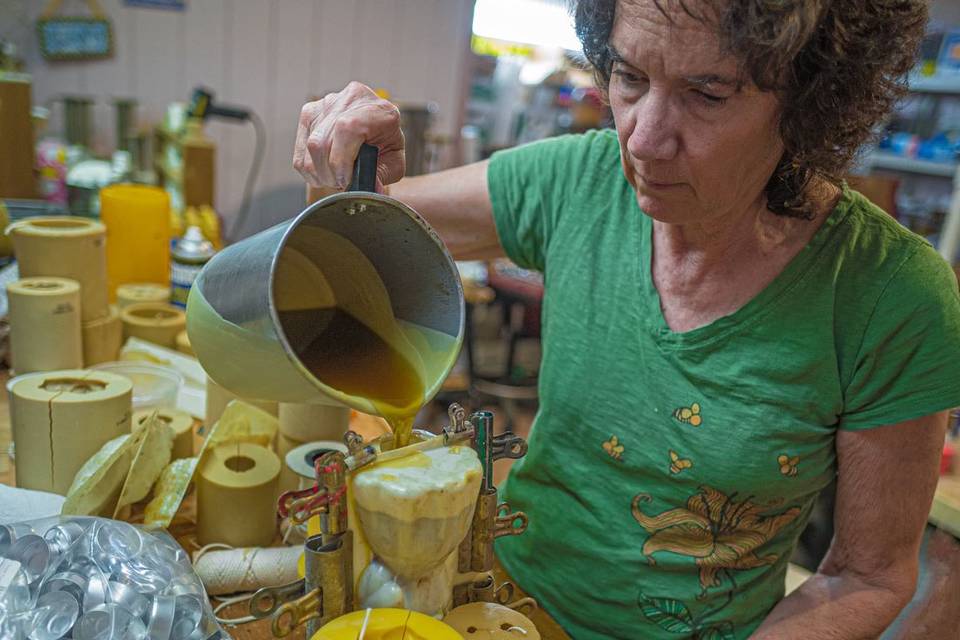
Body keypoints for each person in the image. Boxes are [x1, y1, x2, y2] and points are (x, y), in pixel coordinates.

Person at [292, 1, 960, 637]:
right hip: (500, 602)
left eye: (707, 94)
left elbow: (868, 577)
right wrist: (339, 159)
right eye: (629, 76)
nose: (642, 137)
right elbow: (354, 230)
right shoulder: (579, 182)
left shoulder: (890, 294)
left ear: (811, 99)